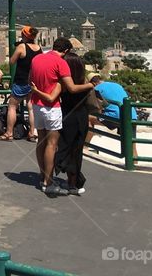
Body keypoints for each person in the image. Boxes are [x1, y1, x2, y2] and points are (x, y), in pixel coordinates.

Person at [29, 37, 94, 196]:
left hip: (37, 105)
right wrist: (91, 85)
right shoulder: (61, 63)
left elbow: (30, 80)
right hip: (52, 108)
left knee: (41, 141)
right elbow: (71, 88)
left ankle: (42, 175)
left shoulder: (37, 58)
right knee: (51, 144)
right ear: (66, 51)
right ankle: (48, 182)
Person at [0, 25, 41, 142]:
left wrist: (16, 48)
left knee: (12, 106)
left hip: (21, 81)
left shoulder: (22, 47)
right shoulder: (38, 48)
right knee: (31, 108)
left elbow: (12, 62)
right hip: (33, 82)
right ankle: (32, 132)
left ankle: (9, 133)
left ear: (24, 35)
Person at [85, 75, 138, 158]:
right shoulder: (117, 85)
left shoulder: (96, 89)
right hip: (132, 115)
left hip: (116, 116)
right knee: (132, 145)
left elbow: (94, 106)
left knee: (88, 118)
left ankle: (85, 147)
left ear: (93, 83)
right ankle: (134, 165)